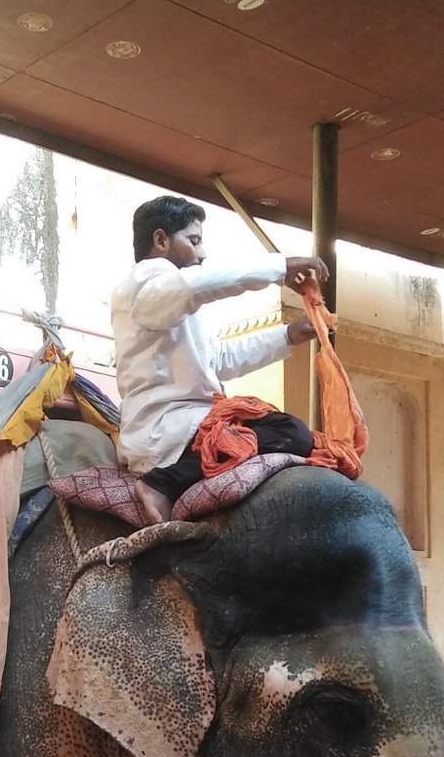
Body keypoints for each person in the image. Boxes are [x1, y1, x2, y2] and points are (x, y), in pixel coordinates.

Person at [111, 195, 329, 523]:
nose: (202, 253)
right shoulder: (143, 285)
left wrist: (290, 335)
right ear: (160, 240)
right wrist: (280, 268)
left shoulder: (175, 302)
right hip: (166, 431)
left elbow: (221, 358)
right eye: (194, 241)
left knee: (292, 432)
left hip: (192, 424)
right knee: (292, 432)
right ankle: (162, 484)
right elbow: (195, 286)